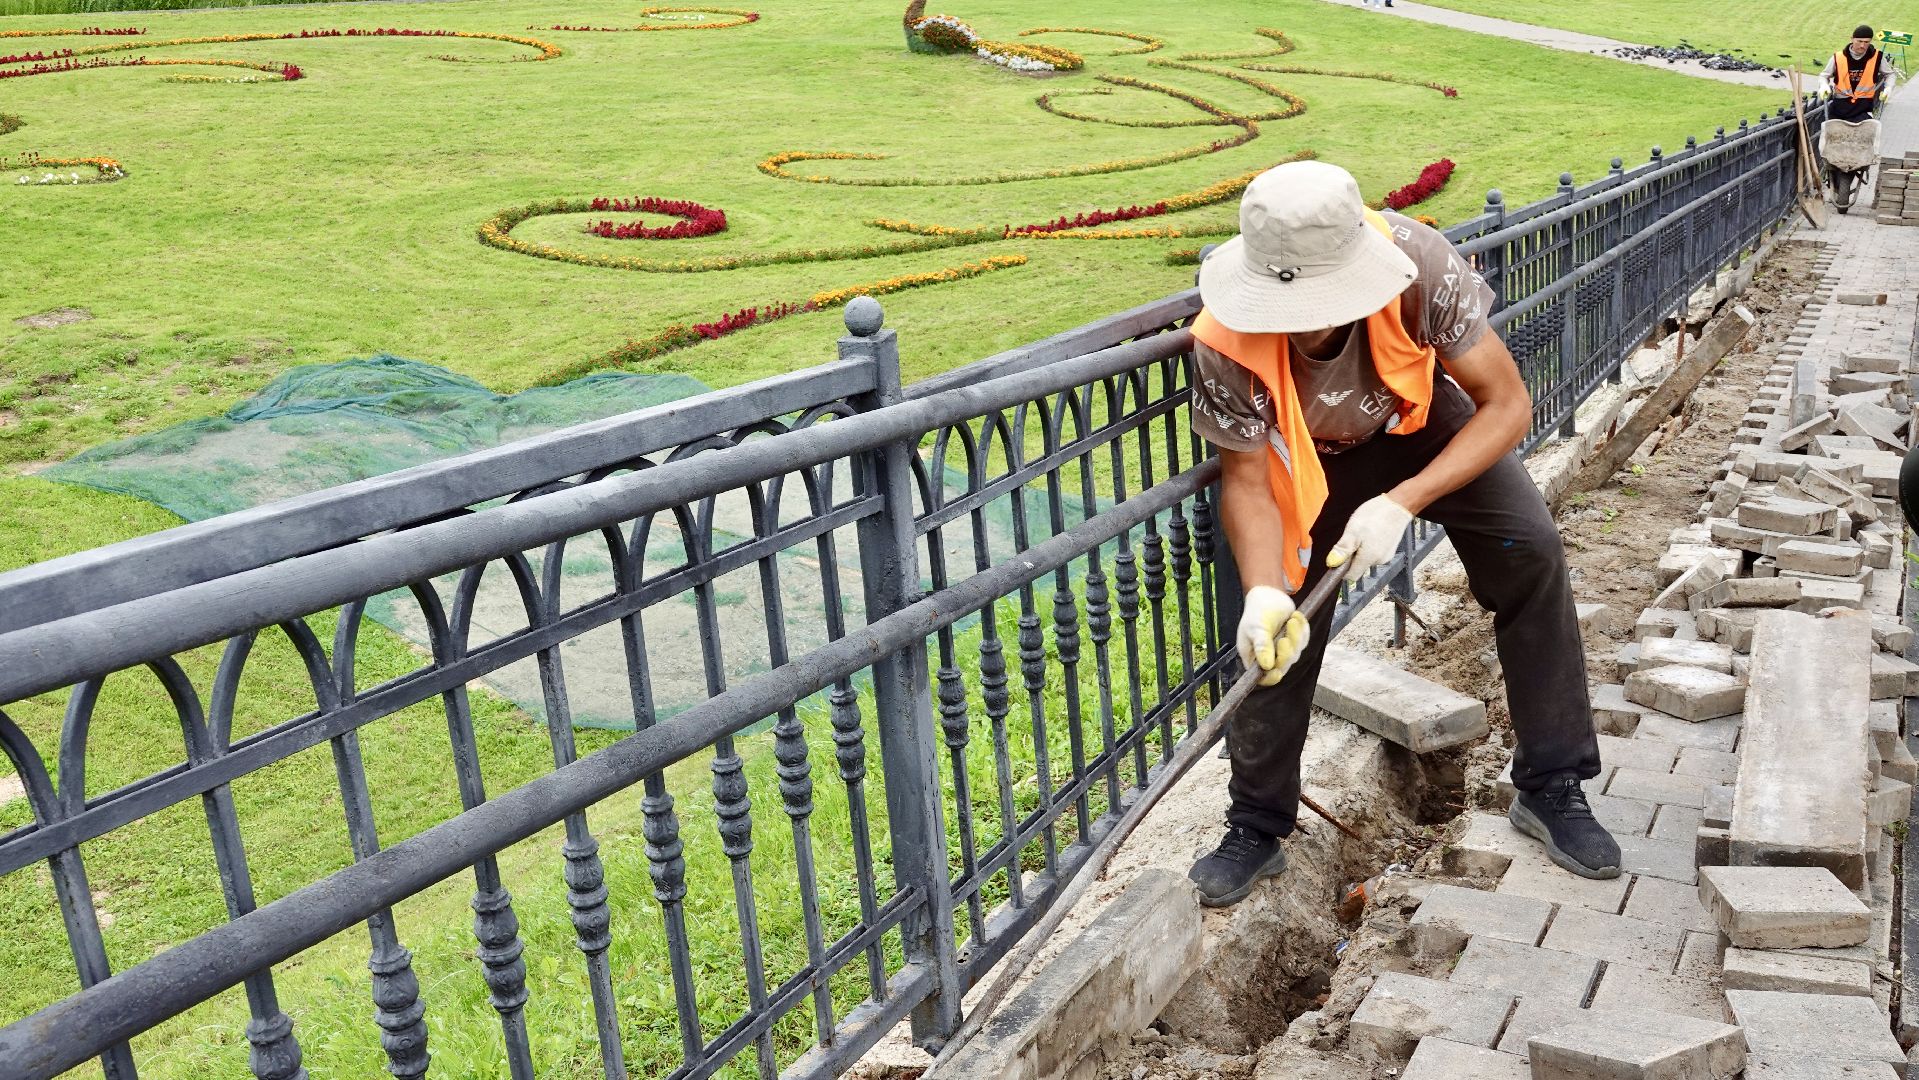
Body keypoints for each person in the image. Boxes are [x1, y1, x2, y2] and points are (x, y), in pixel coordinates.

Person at [1184, 161, 1616, 908]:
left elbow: (1506, 404)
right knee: (1276, 632)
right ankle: (1256, 824)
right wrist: (1261, 590)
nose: (1298, 322)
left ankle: (1551, 785)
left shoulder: (1417, 264)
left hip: (1413, 427)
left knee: (1531, 551)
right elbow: (1248, 482)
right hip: (1303, 457)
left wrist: (1401, 502)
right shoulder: (1223, 335)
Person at [1822, 25, 1896, 122]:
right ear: (1852, 39)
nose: (1862, 45)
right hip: (1840, 107)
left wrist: (1889, 87)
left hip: (1863, 108)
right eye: (1859, 41)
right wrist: (1823, 84)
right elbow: (1824, 75)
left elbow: (1890, 74)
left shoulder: (1877, 57)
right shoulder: (1838, 57)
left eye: (1866, 42)